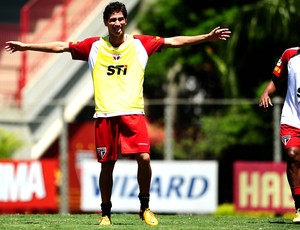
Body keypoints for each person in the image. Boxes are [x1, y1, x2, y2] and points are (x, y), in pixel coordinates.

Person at [5, 1, 231, 226]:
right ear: (106, 23)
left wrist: (205, 37)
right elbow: (62, 46)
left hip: (133, 114)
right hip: (105, 116)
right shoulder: (94, 46)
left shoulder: (140, 44)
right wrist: (27, 46)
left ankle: (145, 207)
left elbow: (172, 41)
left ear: (125, 20)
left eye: (121, 18)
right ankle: (105, 213)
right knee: (107, 165)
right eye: (113, 19)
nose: (117, 23)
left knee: (144, 157)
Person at [259, 47, 300, 223]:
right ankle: (299, 208)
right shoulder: (289, 55)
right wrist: (266, 92)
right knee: (293, 155)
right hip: (292, 118)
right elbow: (276, 79)